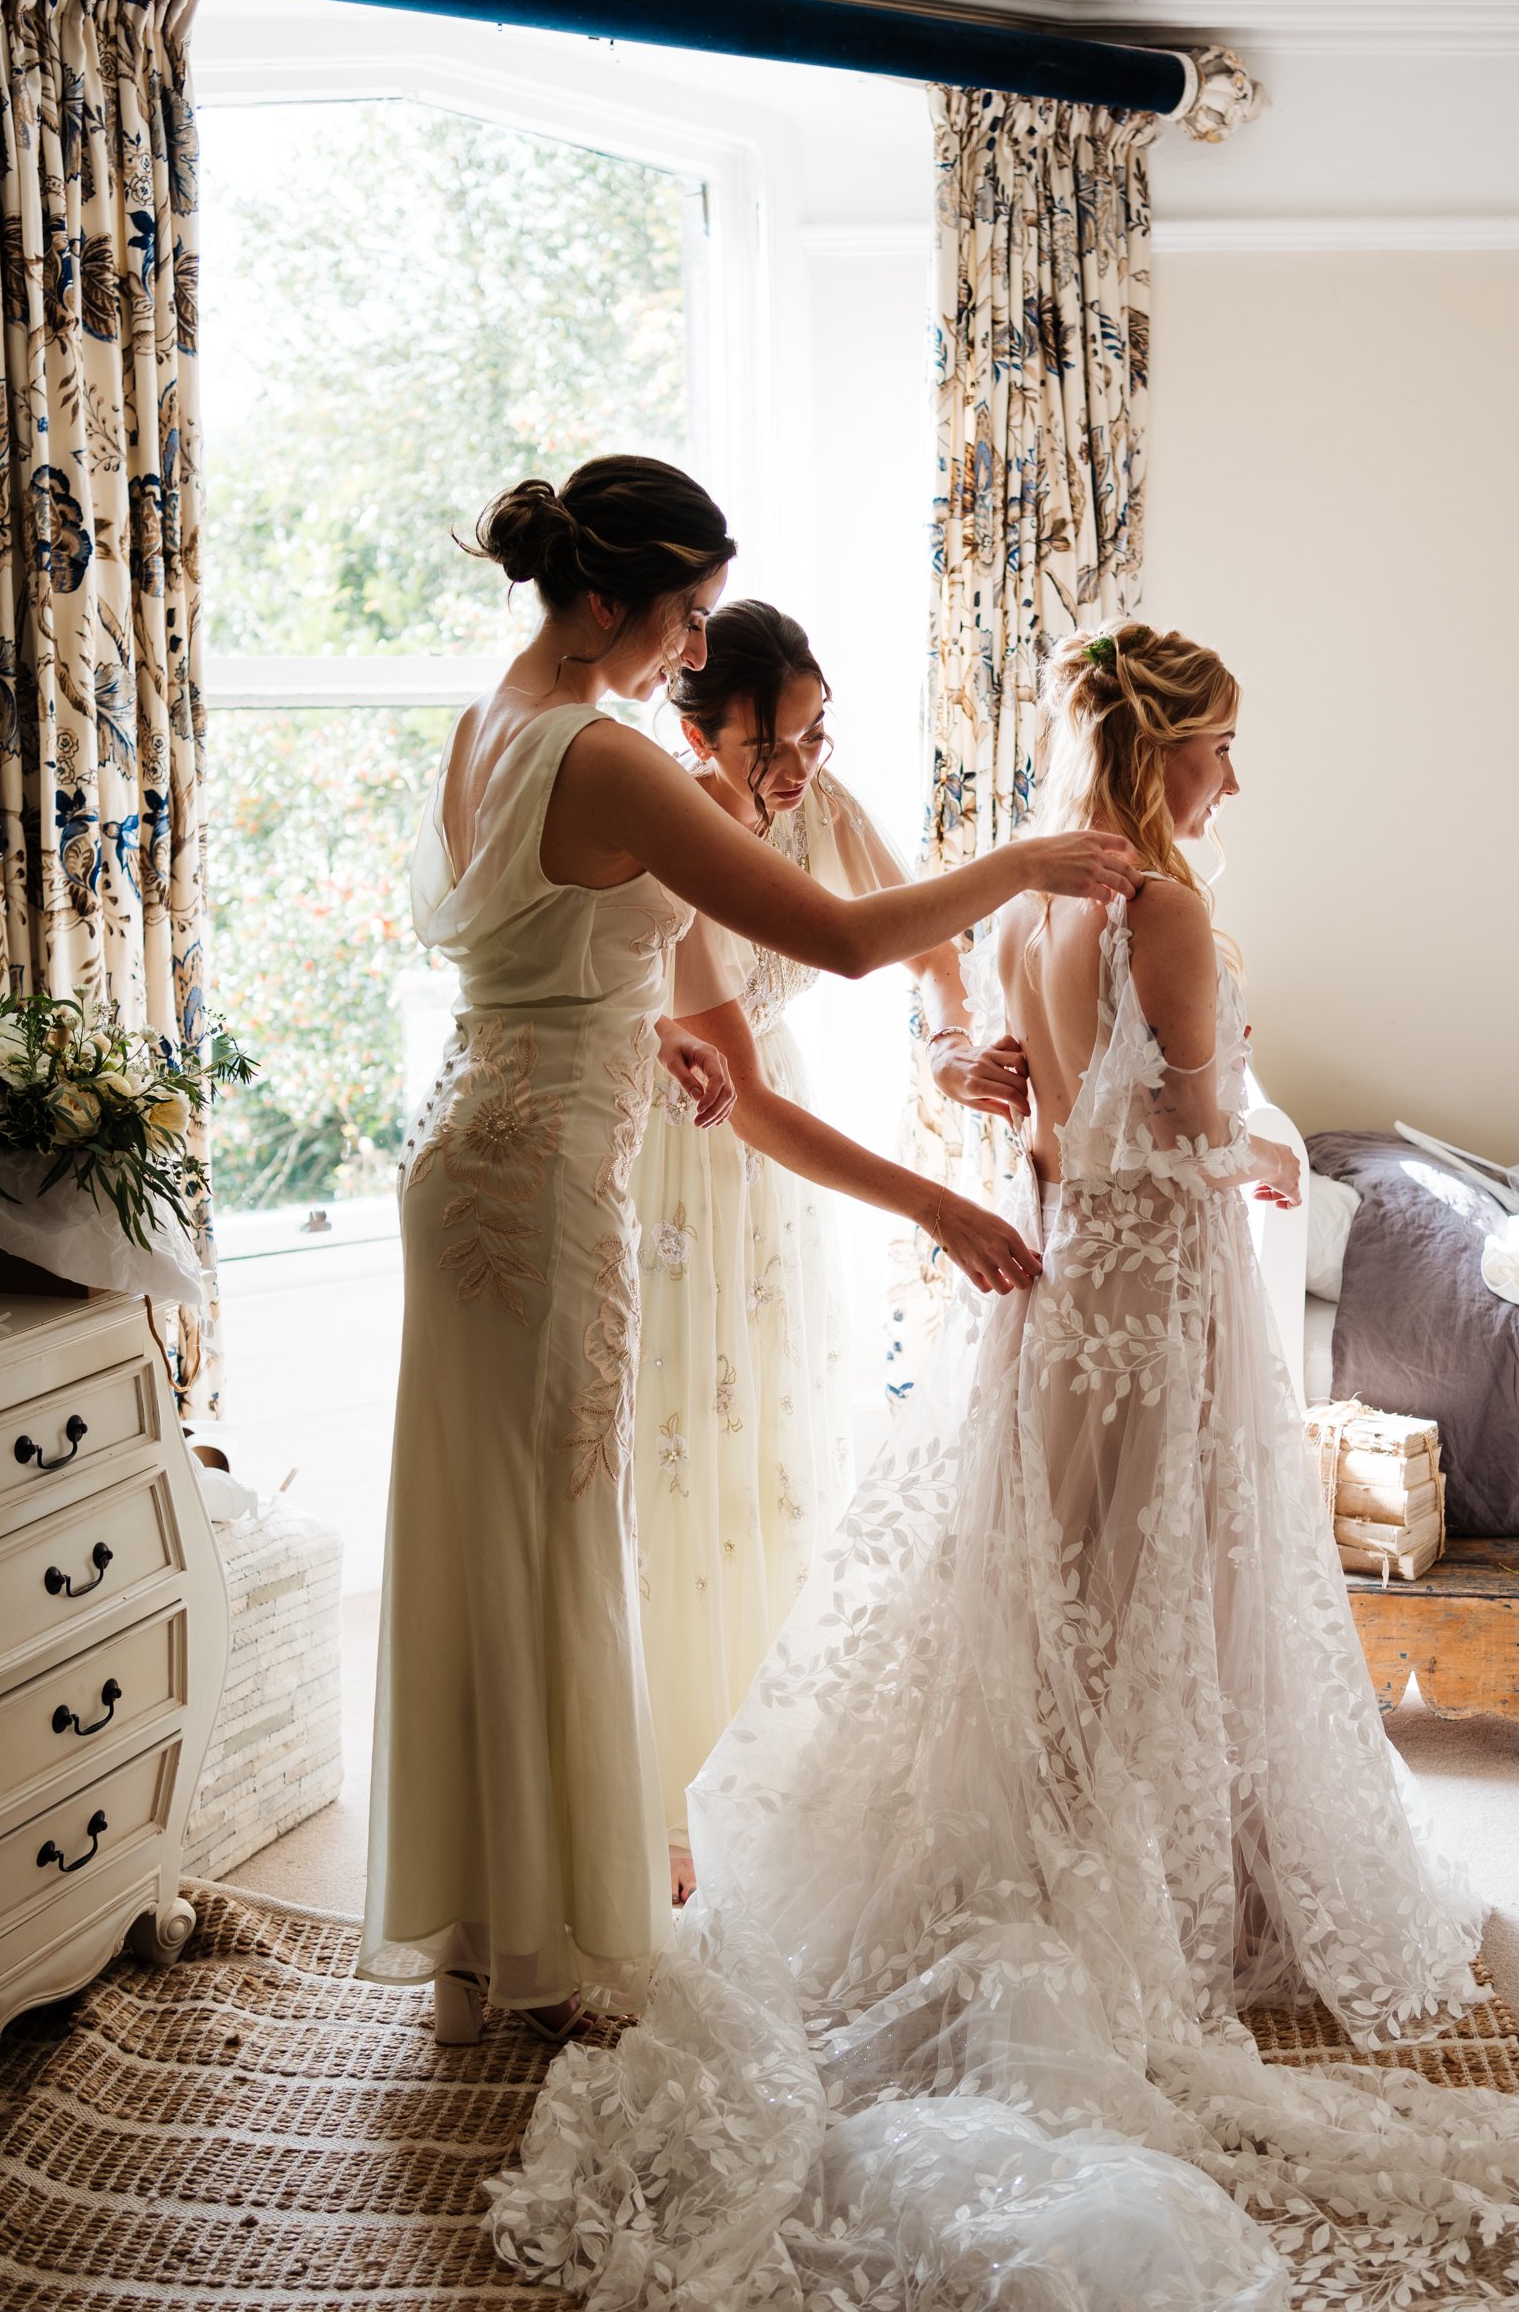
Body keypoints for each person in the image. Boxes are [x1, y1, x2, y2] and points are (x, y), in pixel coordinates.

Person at [487, 619, 1519, 2312]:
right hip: (1160, 1300)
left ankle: (1083, 1840)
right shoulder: (1162, 904)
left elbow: (1027, 1088)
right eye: (1224, 747)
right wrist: (1261, 1149)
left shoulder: (1016, 907)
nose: (1238, 779)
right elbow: (1197, 1126)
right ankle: (1161, 1884)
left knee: (1057, 1595)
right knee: (1161, 1594)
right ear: (1166, 757)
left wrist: (1094, 1114)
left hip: (1061, 1299)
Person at [358, 458, 1135, 2044]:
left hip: (473, 1148)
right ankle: (568, 1939)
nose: (688, 651)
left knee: (484, 1530)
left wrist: (653, 1042)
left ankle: (486, 1925)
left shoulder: (486, 723)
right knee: (558, 1534)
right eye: (685, 617)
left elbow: (529, 951)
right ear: (606, 601)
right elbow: (842, 941)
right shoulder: (612, 754)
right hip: (550, 1179)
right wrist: (1027, 865)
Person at [635, 599, 1032, 1864]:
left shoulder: (819, 804)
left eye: (817, 731)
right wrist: (930, 1201)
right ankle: (666, 1782)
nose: (802, 763)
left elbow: (928, 945)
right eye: (779, 740)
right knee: (686, 1436)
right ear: (699, 719)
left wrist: (952, 1048)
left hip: (775, 1152)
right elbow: (745, 1083)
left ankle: (768, 1746)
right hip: (687, 1141)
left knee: (774, 1430)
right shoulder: (668, 824)